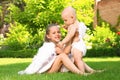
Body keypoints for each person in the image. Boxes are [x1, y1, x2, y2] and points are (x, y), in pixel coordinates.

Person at [18, 24, 86, 75]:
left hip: (52, 67)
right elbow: (65, 53)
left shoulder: (58, 43)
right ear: (48, 36)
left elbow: (68, 50)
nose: (57, 34)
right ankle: (81, 73)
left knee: (75, 56)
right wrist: (70, 35)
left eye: (58, 32)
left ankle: (90, 70)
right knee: (62, 56)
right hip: (46, 71)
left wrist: (71, 36)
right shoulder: (50, 46)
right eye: (54, 33)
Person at [58, 6, 101, 74]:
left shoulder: (73, 26)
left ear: (72, 17)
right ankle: (90, 71)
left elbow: (70, 35)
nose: (64, 22)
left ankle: (82, 72)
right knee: (79, 59)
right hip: (79, 45)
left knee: (78, 60)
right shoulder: (77, 24)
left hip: (77, 46)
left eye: (65, 20)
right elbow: (75, 33)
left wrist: (62, 42)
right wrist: (67, 28)